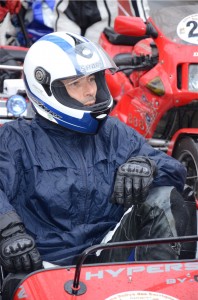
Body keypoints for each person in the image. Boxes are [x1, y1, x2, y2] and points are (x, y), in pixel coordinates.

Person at [0, 31, 190, 280]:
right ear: (45, 88)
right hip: (38, 265)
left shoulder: (112, 132)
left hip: (105, 254)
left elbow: (176, 171)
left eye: (92, 80)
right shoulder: (16, 138)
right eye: (75, 83)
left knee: (165, 197)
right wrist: (9, 231)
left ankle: (162, 288)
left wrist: (148, 165)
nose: (90, 91)